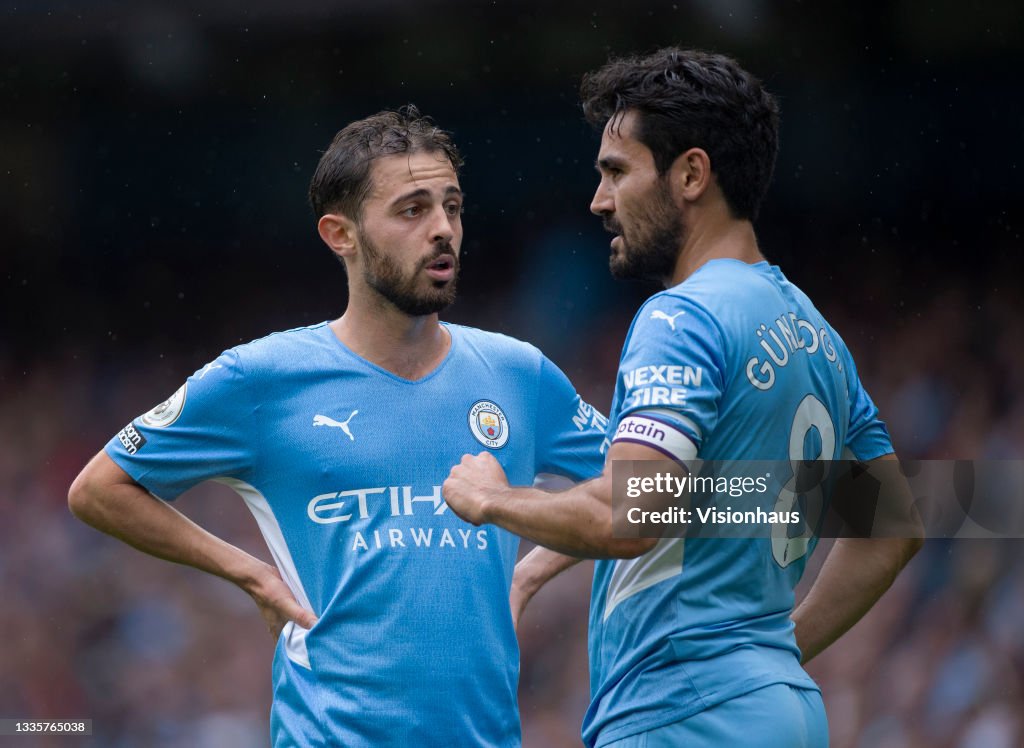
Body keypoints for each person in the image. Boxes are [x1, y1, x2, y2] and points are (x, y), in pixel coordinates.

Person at [67, 106, 607, 748]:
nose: (444, 230)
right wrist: (251, 574)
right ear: (340, 235)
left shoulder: (521, 374)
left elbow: (654, 493)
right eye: (413, 210)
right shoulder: (259, 378)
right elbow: (99, 489)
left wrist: (529, 573)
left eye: (452, 207)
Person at [443, 49, 923, 748]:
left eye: (616, 172)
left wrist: (491, 498)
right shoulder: (815, 333)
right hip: (778, 713)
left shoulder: (683, 317)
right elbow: (891, 526)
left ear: (691, 174)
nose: (598, 201)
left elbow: (631, 511)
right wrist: (771, 659)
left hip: (679, 716)